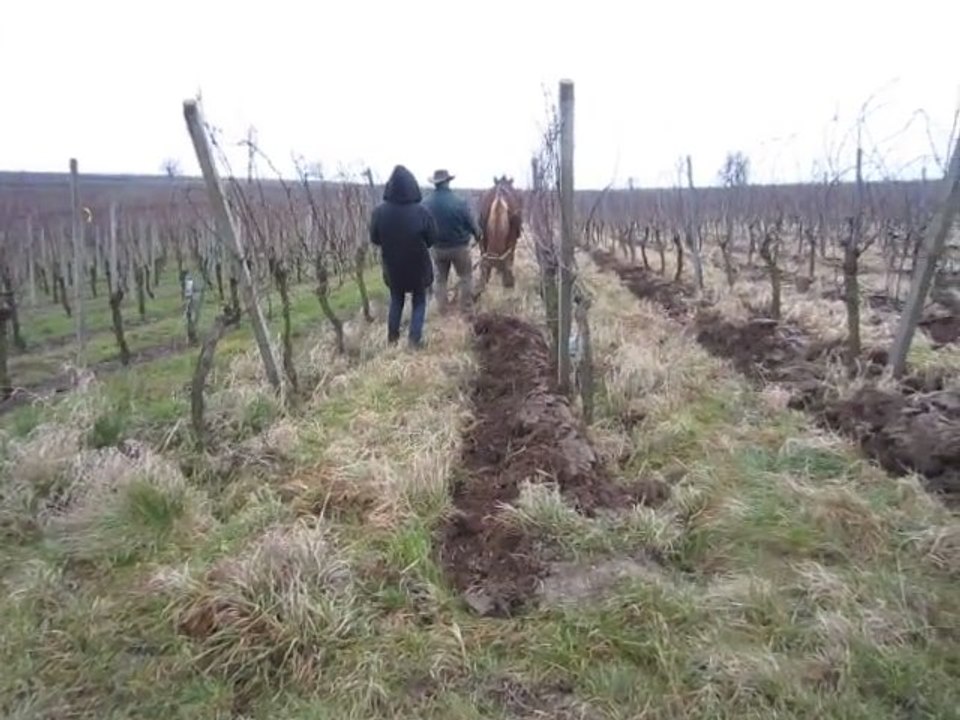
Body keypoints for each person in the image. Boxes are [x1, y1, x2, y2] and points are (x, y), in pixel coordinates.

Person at [369, 164, 438, 348]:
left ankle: (392, 340)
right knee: (419, 301)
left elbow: (374, 239)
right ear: (412, 187)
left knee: (396, 300)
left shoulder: (379, 212)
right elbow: (432, 239)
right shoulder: (422, 212)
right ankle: (414, 341)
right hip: (418, 266)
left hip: (393, 266)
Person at [422, 169, 481, 314]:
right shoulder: (459, 201)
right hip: (459, 248)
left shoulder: (425, 203)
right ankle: (466, 309)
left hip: (438, 249)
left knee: (440, 280)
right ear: (448, 182)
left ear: (435, 184)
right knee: (466, 277)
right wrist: (478, 235)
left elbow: (422, 227)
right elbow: (471, 224)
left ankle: (443, 310)